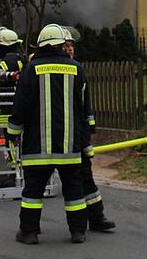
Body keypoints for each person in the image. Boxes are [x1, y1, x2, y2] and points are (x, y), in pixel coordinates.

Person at [6, 23, 89, 245]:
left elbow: (20, 105)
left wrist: (12, 132)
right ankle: (78, 232)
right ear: (61, 45)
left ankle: (29, 232)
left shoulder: (30, 70)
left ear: (41, 46)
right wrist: (85, 138)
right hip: (70, 146)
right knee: (74, 190)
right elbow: (84, 107)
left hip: (37, 146)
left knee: (33, 191)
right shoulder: (76, 68)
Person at [62, 27, 116, 233]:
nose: (69, 49)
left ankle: (96, 217)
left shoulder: (77, 69)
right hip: (61, 135)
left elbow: (85, 105)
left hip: (77, 134)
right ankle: (31, 225)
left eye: (71, 46)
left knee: (86, 177)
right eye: (65, 46)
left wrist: (89, 127)